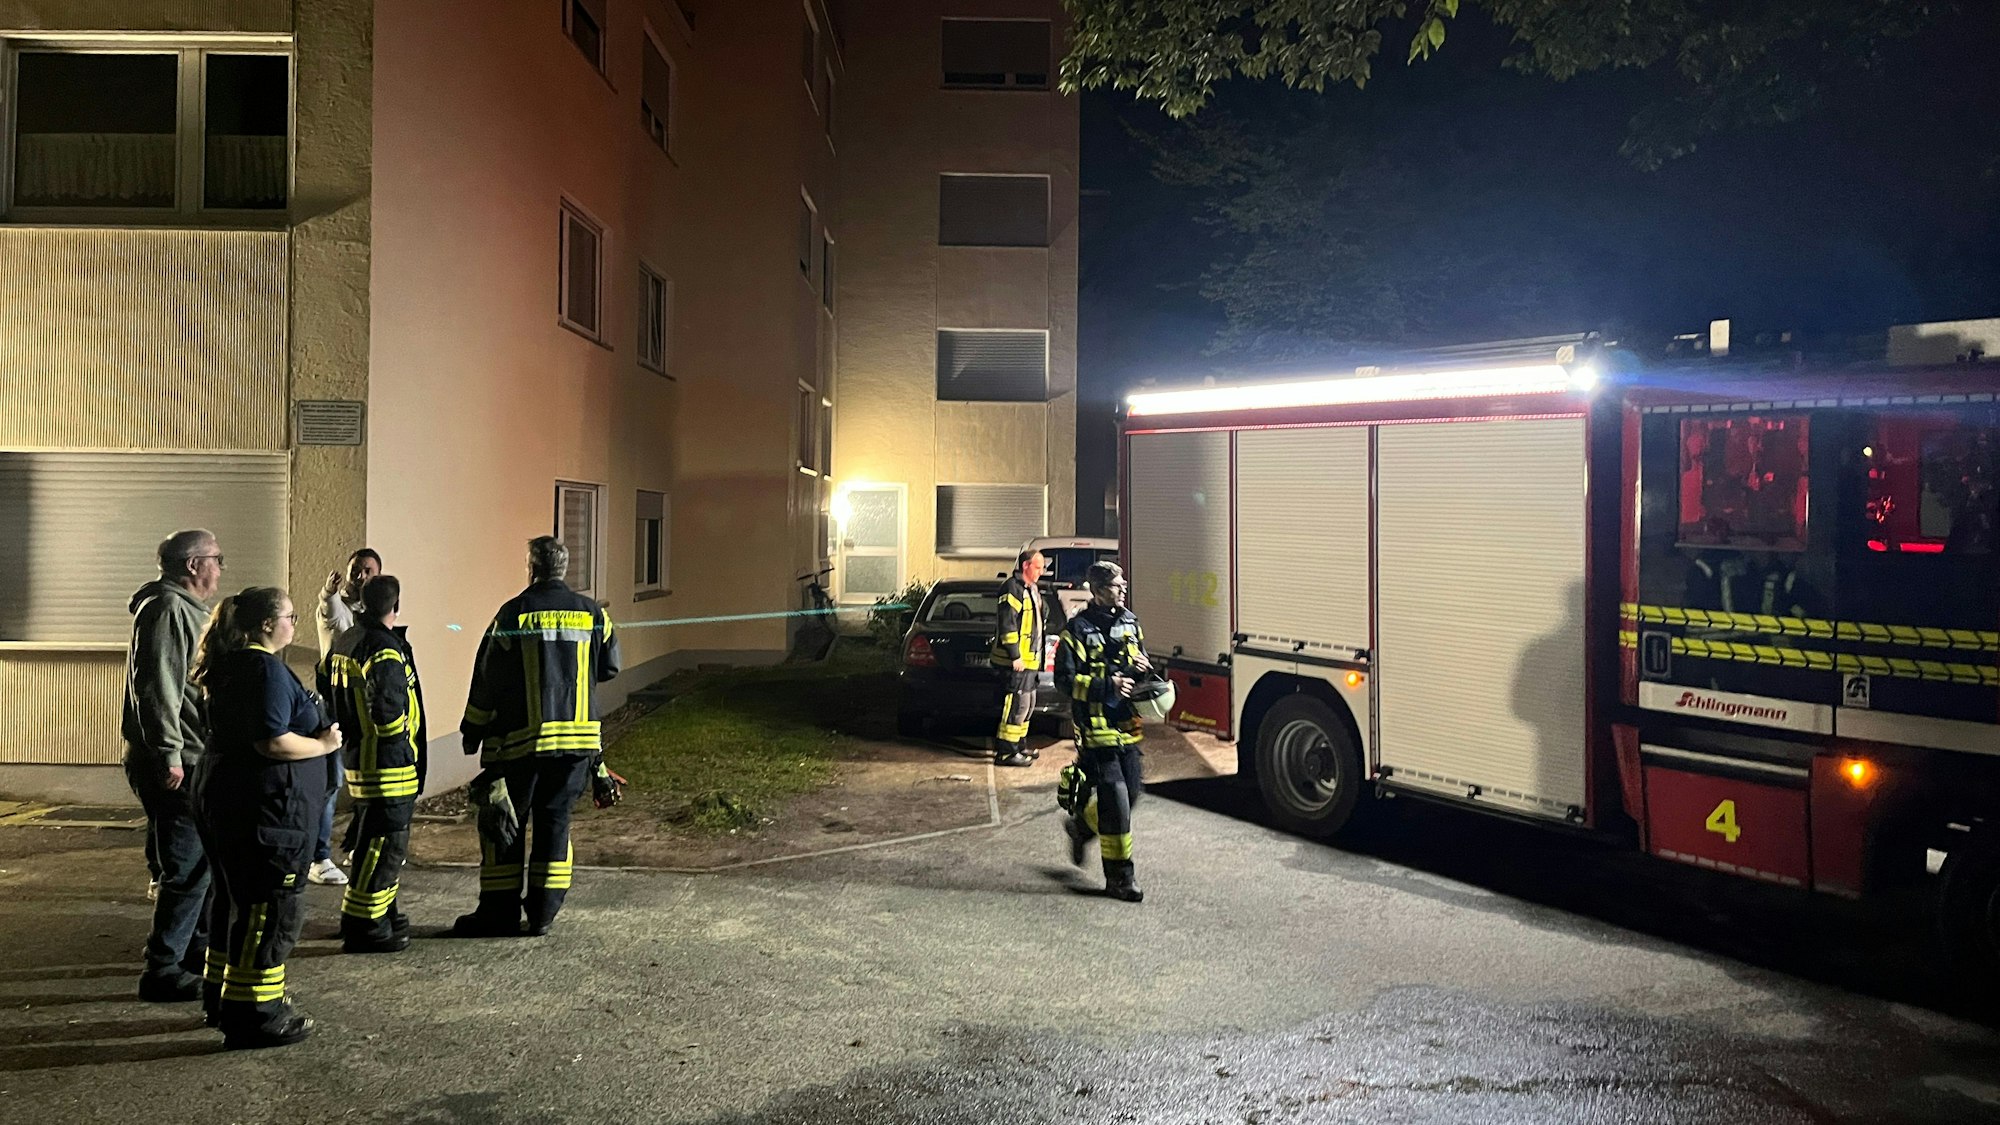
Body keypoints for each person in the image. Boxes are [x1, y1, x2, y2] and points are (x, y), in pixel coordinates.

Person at [189, 587, 341, 1049]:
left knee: (230, 901)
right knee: (268, 908)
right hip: (267, 808)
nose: (295, 624)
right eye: (290, 617)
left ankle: (222, 997)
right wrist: (323, 746)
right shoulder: (264, 669)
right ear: (265, 626)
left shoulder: (229, 665)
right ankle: (256, 1013)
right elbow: (272, 741)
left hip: (228, 796)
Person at [454, 536, 620, 938]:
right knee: (556, 824)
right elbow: (610, 667)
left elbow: (487, 677)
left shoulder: (513, 614)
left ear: (531, 567)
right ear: (564, 569)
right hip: (577, 746)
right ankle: (543, 914)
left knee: (507, 826)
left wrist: (472, 728)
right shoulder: (594, 614)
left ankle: (499, 913)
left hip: (523, 746)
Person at [122, 529, 225, 1002]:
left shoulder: (179, 609)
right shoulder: (166, 611)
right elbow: (158, 686)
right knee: (187, 868)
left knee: (192, 863)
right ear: (193, 566)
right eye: (216, 559)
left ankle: (188, 956)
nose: (221, 568)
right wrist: (169, 753)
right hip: (176, 757)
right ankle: (163, 969)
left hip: (183, 753)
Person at [317, 575, 425, 953]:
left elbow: (324, 685)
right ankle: (366, 926)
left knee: (371, 845)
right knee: (385, 847)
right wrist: (402, 749)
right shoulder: (384, 649)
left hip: (358, 761)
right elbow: (390, 710)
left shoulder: (345, 641)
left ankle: (378, 914)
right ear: (395, 606)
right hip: (388, 766)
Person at [1054, 561, 1150, 903]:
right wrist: (1105, 685)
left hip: (1128, 725)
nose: (1123, 590)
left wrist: (1143, 669)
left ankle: (1080, 828)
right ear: (1096, 591)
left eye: (1123, 585)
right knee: (1116, 801)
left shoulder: (1130, 622)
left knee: (1133, 793)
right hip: (1095, 730)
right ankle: (1121, 878)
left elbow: (1139, 662)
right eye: (1115, 586)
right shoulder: (1076, 630)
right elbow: (1064, 681)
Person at [307, 548, 382, 888]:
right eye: (356, 570)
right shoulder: (340, 609)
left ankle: (356, 843)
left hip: (366, 706)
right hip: (336, 706)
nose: (360, 576)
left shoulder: (376, 612)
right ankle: (319, 856)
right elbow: (329, 611)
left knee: (370, 777)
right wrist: (328, 592)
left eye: (367, 571)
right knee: (332, 779)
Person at [989, 549, 1049, 768]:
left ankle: (1019, 746)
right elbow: (1008, 624)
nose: (1041, 572)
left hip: (1030, 661)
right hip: (1016, 661)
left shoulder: (1031, 589)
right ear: (1025, 565)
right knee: (1016, 704)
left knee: (1028, 703)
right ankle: (1006, 752)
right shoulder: (1012, 588)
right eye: (1038, 567)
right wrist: (1015, 655)